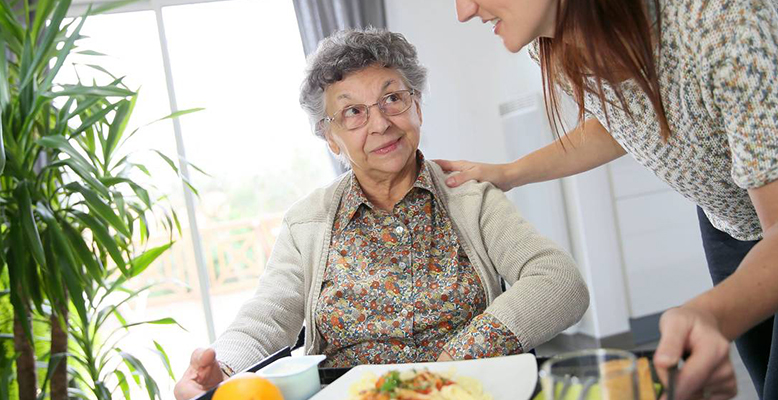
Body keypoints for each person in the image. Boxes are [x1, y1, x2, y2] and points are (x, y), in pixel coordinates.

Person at [445, 0, 778, 399]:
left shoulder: (718, 15)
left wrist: (711, 314)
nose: (463, 11)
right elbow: (627, 117)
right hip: (734, 216)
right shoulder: (551, 38)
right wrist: (509, 173)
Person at [173, 28, 590, 400]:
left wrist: (450, 365)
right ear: (331, 138)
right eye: (353, 112)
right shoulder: (308, 221)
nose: (380, 123)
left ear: (417, 108)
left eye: (392, 99)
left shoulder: (471, 198)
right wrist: (222, 366)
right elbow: (266, 316)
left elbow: (559, 281)